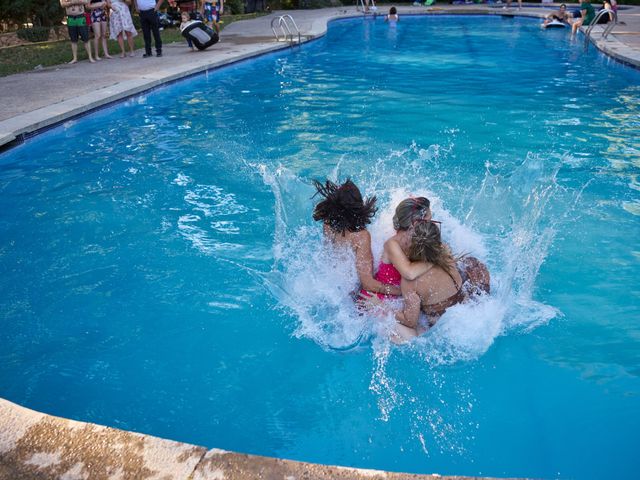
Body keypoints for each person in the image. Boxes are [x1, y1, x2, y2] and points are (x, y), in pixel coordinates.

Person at [395, 220, 490, 339]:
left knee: (394, 327)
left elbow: (410, 321)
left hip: (442, 325)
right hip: (464, 307)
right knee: (472, 263)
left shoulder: (410, 281)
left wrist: (389, 311)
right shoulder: (446, 253)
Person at [312, 179, 401, 298]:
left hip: (331, 287)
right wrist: (401, 291)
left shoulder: (327, 224)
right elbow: (368, 284)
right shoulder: (361, 236)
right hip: (350, 293)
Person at [360, 197, 434, 302]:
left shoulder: (418, 238)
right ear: (416, 223)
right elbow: (409, 273)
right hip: (378, 300)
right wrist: (436, 258)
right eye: (429, 221)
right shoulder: (392, 244)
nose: (432, 225)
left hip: (400, 299)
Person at [60, 0, 95, 64]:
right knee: (73, 39)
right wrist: (72, 2)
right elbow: (62, 4)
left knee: (86, 38)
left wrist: (76, 2)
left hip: (80, 17)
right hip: (70, 18)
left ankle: (90, 57)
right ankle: (75, 58)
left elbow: (86, 1)